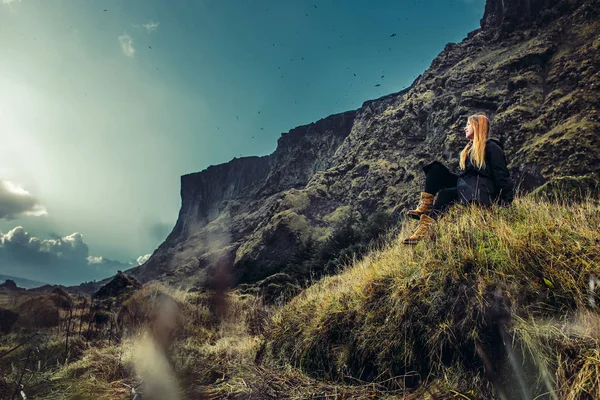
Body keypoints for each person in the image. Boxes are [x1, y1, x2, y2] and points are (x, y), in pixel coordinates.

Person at [402, 114, 514, 245]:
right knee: (435, 168)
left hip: (479, 191)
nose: (465, 128)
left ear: (477, 126)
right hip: (465, 185)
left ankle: (424, 230)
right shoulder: (469, 149)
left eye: (468, 125)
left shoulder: (491, 147)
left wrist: (505, 203)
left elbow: (502, 175)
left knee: (445, 194)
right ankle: (426, 206)